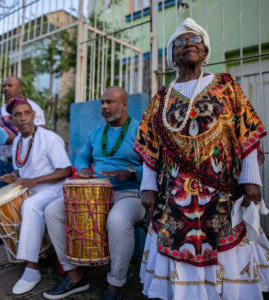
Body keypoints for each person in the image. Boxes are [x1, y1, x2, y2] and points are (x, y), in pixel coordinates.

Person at [135, 18, 269, 299]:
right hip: (174, 195)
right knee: (177, 240)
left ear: (205, 52)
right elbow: (150, 144)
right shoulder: (161, 96)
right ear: (172, 55)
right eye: (180, 43)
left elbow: (246, 132)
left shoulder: (226, 85)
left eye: (195, 40)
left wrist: (250, 180)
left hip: (222, 190)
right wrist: (147, 186)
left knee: (223, 242)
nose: (188, 45)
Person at [43, 87, 145, 300]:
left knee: (118, 221)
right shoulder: (96, 133)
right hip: (93, 194)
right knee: (52, 211)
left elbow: (156, 166)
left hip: (129, 194)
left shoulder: (141, 131)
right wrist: (83, 169)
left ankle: (115, 285)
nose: (104, 107)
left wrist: (131, 172)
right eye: (102, 103)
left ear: (124, 104)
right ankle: (75, 275)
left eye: (110, 102)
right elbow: (81, 157)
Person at [0, 96, 72, 295]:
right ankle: (36, 256)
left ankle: (31, 270)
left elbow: (66, 170)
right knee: (26, 203)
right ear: (12, 120)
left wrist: (35, 181)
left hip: (54, 189)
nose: (23, 118)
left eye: (26, 113)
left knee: (30, 205)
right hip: (33, 190)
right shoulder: (17, 144)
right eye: (17, 115)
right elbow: (23, 173)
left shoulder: (50, 138)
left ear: (33, 115)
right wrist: (12, 177)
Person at [0, 76, 46, 245]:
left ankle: (25, 238)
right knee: (0, 202)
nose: (5, 88)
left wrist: (11, 139)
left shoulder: (33, 107)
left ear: (19, 88)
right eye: (4, 85)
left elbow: (39, 135)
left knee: (22, 202)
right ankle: (4, 235)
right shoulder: (0, 112)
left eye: (10, 85)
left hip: (24, 164)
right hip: (4, 162)